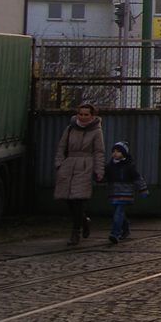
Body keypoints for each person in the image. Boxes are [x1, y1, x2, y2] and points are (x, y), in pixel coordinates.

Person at [53, 102, 106, 247]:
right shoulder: (70, 128)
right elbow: (62, 146)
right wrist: (59, 163)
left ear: (92, 116)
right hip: (69, 165)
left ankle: (75, 232)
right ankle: (83, 221)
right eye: (80, 114)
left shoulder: (96, 131)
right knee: (68, 199)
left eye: (86, 114)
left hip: (85, 166)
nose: (83, 117)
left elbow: (99, 152)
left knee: (78, 200)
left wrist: (99, 170)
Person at [102, 141, 146, 245]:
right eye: (113, 151)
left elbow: (138, 179)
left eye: (118, 151)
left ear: (124, 153)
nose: (115, 153)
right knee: (119, 213)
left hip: (125, 193)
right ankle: (125, 229)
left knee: (118, 212)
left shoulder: (129, 166)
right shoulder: (109, 166)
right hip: (114, 193)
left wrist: (143, 189)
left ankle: (115, 233)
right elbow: (105, 178)